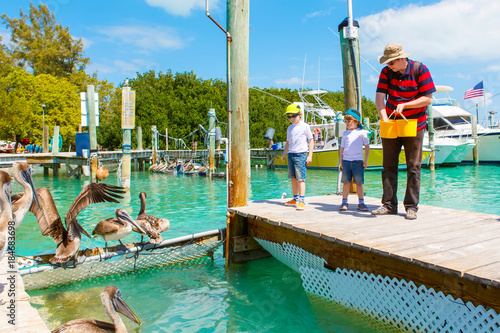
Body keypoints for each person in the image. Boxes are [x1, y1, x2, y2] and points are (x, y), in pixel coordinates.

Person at [372, 43, 436, 220]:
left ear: (401, 59)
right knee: (388, 165)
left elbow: (428, 99)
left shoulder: (420, 69)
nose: (388, 66)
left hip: (414, 124)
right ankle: (388, 205)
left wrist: (406, 104)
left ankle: (411, 207)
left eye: (391, 63)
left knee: (413, 167)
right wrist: (383, 116)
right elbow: (379, 97)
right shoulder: (386, 73)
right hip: (391, 123)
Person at [281, 103, 314, 211]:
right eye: (289, 116)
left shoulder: (305, 126)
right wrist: (284, 154)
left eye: (293, 116)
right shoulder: (289, 128)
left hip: (301, 154)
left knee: (301, 179)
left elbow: (311, 140)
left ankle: (302, 200)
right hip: (291, 154)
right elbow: (287, 142)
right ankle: (295, 198)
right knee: (293, 178)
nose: (291, 118)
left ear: (299, 114)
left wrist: (310, 156)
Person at [338, 109, 370, 212]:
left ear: (356, 122)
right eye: (346, 121)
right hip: (346, 161)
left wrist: (366, 160)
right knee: (346, 182)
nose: (347, 123)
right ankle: (344, 201)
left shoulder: (362, 133)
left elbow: (367, 147)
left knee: (359, 183)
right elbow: (342, 148)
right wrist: (341, 161)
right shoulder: (345, 134)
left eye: (349, 121)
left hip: (358, 161)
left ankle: (361, 202)